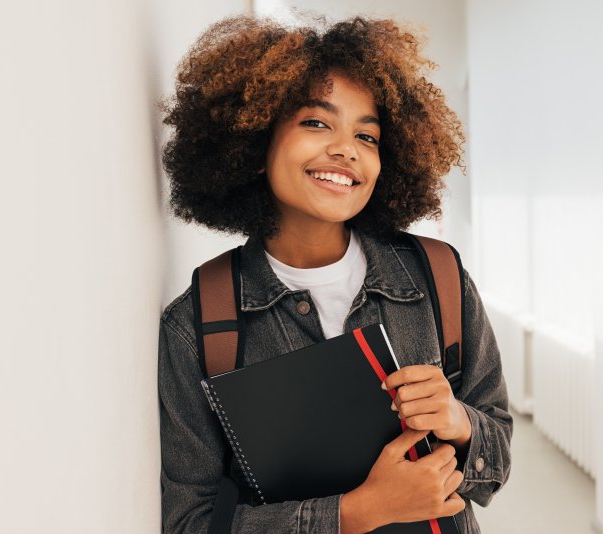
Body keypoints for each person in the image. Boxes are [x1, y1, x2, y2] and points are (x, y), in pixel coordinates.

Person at [158, 15, 512, 534]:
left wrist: (458, 422)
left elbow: (495, 463)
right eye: (317, 123)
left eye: (366, 136)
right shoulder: (198, 324)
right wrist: (355, 514)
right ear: (256, 142)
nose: (346, 149)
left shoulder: (439, 277)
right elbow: (189, 523)